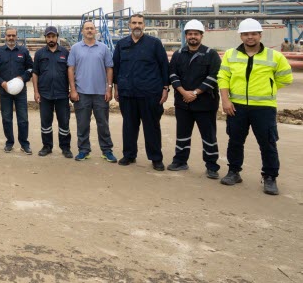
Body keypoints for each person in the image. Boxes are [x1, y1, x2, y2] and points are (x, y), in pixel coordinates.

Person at [218, 18, 293, 195]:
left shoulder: (275, 56)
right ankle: (234, 172)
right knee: (235, 141)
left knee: (267, 143)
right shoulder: (230, 55)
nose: (250, 37)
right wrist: (225, 100)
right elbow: (223, 78)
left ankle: (270, 177)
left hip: (264, 107)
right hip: (237, 106)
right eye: (246, 34)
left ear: (260, 35)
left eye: (253, 34)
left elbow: (286, 78)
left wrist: (268, 88)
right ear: (241, 36)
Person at [113, 13, 170, 171]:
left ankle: (156, 158)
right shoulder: (122, 44)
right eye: (134, 23)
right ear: (129, 25)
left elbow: (164, 66)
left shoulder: (154, 44)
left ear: (144, 25)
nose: (137, 25)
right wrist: (116, 88)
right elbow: (116, 68)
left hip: (150, 93)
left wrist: (165, 88)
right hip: (127, 93)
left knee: (151, 126)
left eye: (140, 23)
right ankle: (129, 155)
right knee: (129, 126)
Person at [167, 20, 222, 178]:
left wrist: (195, 93)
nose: (193, 36)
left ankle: (212, 166)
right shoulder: (178, 54)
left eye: (196, 34)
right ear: (185, 36)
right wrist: (183, 92)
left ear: (201, 36)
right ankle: (180, 161)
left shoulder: (211, 54)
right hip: (183, 103)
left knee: (208, 136)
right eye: (190, 34)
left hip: (205, 104)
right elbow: (173, 74)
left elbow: (213, 76)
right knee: (182, 134)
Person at [67, 21, 116, 162]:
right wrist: (73, 90)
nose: (89, 30)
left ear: (95, 31)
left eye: (91, 28)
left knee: (103, 124)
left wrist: (109, 88)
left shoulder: (103, 48)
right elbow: (70, 69)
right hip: (81, 93)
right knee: (82, 124)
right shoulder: (75, 48)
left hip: (101, 93)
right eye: (87, 28)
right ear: (82, 31)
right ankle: (83, 150)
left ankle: (107, 150)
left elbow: (109, 68)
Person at [0, 27, 34, 154]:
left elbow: (30, 68)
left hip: (20, 91)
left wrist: (22, 78)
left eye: (13, 35)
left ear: (16, 36)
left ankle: (24, 144)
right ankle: (9, 143)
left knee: (23, 118)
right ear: (5, 36)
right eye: (8, 35)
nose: (11, 38)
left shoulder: (23, 51)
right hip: (5, 91)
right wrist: (2, 82)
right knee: (7, 118)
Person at [32, 26, 72, 158]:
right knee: (45, 123)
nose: (51, 39)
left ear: (57, 37)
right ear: (45, 38)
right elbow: (35, 73)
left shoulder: (65, 53)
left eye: (53, 36)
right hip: (45, 94)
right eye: (48, 37)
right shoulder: (40, 54)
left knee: (64, 122)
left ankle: (65, 147)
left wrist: (72, 89)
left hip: (62, 94)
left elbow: (70, 72)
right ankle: (47, 146)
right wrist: (36, 92)